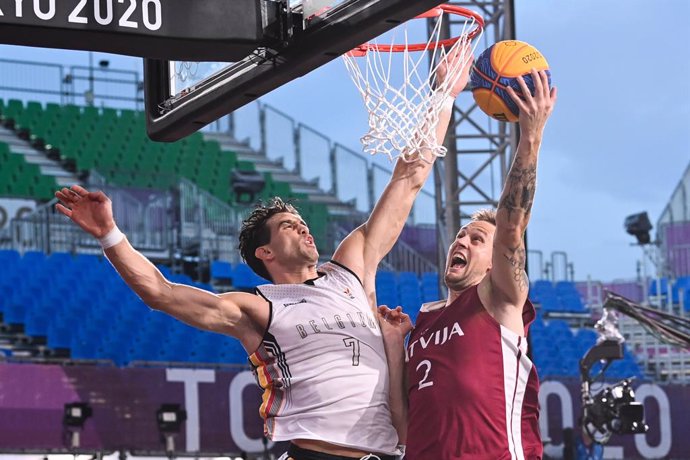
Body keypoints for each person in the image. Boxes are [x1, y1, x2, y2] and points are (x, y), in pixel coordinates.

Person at [54, 49, 472, 460]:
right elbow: (160, 293)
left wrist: (444, 96)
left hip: (381, 453)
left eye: (302, 221)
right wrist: (110, 234)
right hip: (314, 454)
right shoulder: (258, 308)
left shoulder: (351, 271)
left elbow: (409, 179)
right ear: (265, 251)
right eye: (289, 225)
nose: (303, 227)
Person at [383, 68, 557, 459]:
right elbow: (403, 423)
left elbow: (511, 227)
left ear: (495, 260)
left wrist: (531, 134)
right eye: (460, 235)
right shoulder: (423, 321)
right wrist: (396, 347)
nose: (461, 240)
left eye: (476, 239)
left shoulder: (498, 297)